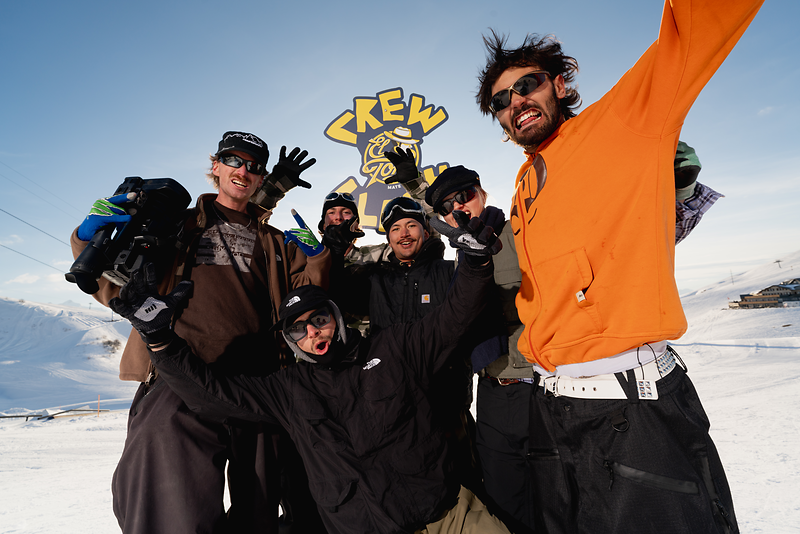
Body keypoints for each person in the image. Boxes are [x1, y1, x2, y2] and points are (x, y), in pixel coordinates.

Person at [474, 1, 762, 532]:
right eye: (500, 101)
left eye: (527, 85)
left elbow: (692, 31)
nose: (515, 102)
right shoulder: (523, 186)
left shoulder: (621, 121)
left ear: (559, 84)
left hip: (634, 411)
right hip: (555, 409)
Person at [108, 213, 510, 534]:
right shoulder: (289, 390)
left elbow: (457, 317)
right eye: (299, 329)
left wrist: (474, 264)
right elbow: (211, 393)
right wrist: (162, 343)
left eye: (319, 318)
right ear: (290, 341)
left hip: (448, 517)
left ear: (337, 316)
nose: (313, 331)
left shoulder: (395, 348)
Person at [70, 131, 329, 533]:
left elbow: (310, 297)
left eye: (253, 166)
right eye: (233, 160)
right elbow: (117, 284)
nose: (243, 170)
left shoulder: (276, 241)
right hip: (181, 372)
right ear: (216, 167)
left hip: (258, 381)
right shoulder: (176, 225)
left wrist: (320, 255)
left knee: (257, 510)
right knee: (170, 501)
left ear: (261, 178)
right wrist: (87, 238)